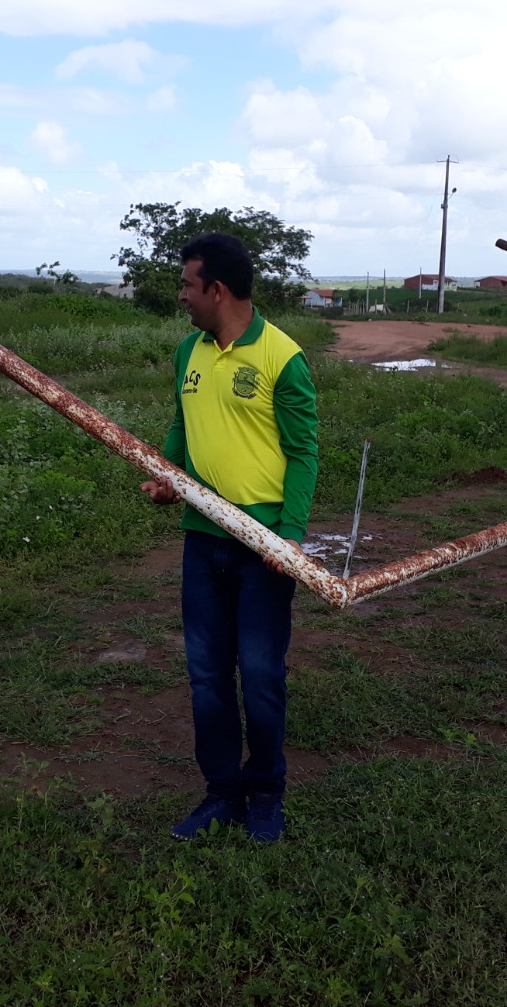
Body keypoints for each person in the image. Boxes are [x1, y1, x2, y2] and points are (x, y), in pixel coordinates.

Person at [140, 233, 318, 843]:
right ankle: (222, 793)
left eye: (188, 284)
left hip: (261, 545)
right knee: (207, 675)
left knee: (262, 674)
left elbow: (303, 453)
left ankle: (266, 794)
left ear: (217, 289)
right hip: (201, 538)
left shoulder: (282, 356)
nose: (182, 296)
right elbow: (181, 424)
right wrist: (169, 477)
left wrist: (287, 538)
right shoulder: (189, 349)